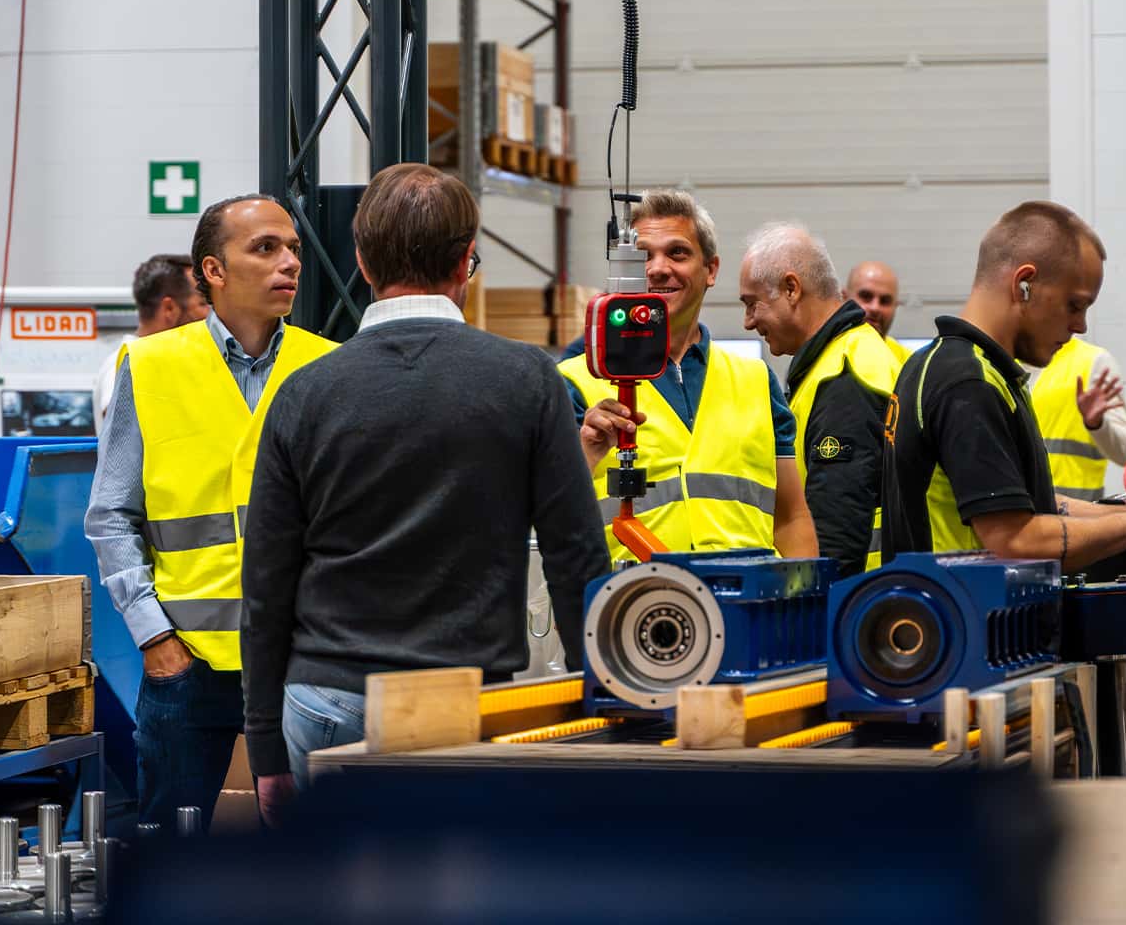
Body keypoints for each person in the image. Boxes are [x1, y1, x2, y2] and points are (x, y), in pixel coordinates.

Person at [241, 165, 608, 824]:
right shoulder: (528, 380)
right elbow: (576, 558)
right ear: (468, 260)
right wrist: (598, 705)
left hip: (328, 700)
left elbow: (267, 583)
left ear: (360, 259)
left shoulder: (302, 394)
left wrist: (265, 745)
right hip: (464, 702)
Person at [84, 194, 337, 825]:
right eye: (265, 248)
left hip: (303, 659)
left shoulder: (327, 366)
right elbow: (111, 514)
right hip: (188, 665)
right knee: (174, 843)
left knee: (311, 853)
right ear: (213, 271)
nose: (290, 263)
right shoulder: (149, 365)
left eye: (294, 249)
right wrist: (155, 637)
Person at [558, 191, 818, 561]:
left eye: (677, 253)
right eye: (643, 256)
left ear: (710, 270)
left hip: (747, 606)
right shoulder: (575, 382)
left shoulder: (755, 380)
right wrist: (586, 453)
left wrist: (802, 602)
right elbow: (549, 515)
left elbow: (791, 518)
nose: (658, 268)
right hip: (633, 607)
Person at [882, 201, 1126, 568]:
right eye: (1074, 305)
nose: (1080, 326)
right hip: (969, 617)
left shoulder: (943, 366)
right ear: (1024, 285)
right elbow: (1015, 540)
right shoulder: (968, 385)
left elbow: (1022, 503)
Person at [739, 223, 899, 573]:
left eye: (752, 304)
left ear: (791, 289)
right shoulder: (833, 361)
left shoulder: (845, 373)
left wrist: (814, 617)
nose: (748, 322)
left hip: (852, 604)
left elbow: (834, 536)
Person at [93, 254, 207, 423]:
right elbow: (120, 426)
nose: (210, 314)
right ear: (169, 308)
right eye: (203, 304)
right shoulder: (126, 362)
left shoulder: (163, 362)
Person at [1026, 336, 1126, 502]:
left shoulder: (1093, 361)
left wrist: (1097, 425)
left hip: (1078, 519)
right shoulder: (1000, 363)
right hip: (1018, 517)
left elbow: (1125, 451)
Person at [848, 260, 912, 364]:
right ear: (844, 298)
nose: (875, 308)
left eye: (885, 301)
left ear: (895, 306)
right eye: (866, 296)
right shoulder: (823, 352)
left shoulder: (909, 364)